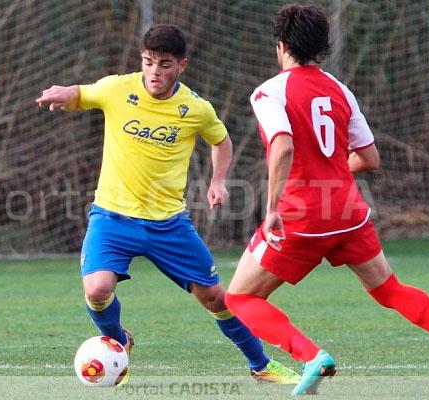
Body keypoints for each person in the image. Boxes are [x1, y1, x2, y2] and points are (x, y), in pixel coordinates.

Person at [224, 3, 429, 396]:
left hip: (303, 214)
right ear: (321, 46)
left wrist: (272, 207)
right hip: (347, 210)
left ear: (281, 46)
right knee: (389, 289)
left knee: (240, 297)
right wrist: (330, 169)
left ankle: (311, 356)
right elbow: (369, 158)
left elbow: (282, 146)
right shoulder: (340, 90)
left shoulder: (268, 92)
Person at [36, 24, 300, 383]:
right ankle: (119, 342)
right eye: (148, 62)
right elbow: (82, 94)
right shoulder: (118, 89)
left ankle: (261, 365)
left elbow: (220, 140)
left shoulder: (194, 108)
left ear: (182, 65)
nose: (154, 72)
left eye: (164, 64)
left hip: (169, 224)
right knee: (97, 289)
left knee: (216, 298)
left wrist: (218, 180)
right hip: (113, 217)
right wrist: (64, 93)